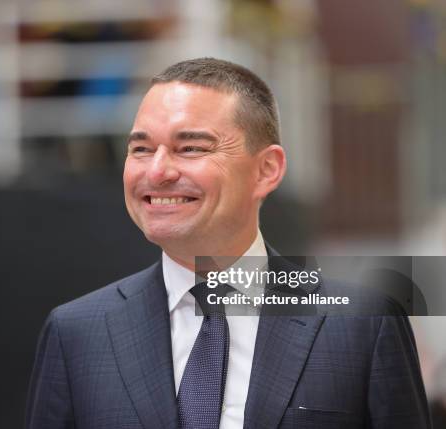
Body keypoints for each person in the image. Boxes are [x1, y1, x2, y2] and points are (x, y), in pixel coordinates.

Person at [25, 58, 431, 428]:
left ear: (266, 170)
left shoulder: (362, 324)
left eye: (192, 148)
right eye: (141, 149)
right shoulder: (77, 332)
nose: (159, 170)